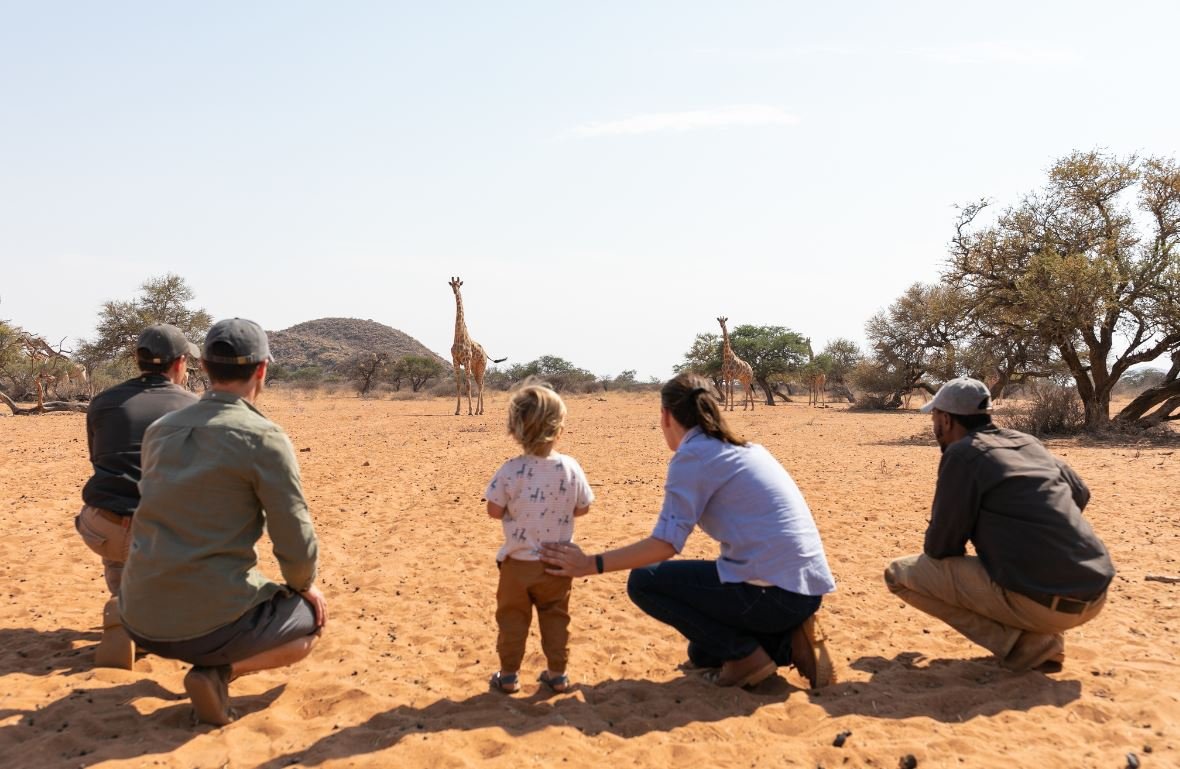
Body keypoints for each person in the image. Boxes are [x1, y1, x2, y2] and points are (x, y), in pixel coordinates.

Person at [541, 372, 837, 690]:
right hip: (806, 593)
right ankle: (790, 644)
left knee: (644, 582)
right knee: (702, 652)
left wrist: (590, 564)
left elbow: (666, 544)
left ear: (666, 416)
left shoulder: (693, 456)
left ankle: (746, 658)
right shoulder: (747, 448)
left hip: (774, 596)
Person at [119, 318, 327, 725]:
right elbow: (295, 540)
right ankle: (220, 673)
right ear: (262, 370)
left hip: (138, 617)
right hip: (208, 625)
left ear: (204, 368)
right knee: (310, 624)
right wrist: (304, 587)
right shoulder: (263, 437)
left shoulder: (159, 431)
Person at [884, 377, 1114, 672]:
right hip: (1095, 593)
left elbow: (940, 548)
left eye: (935, 418)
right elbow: (1080, 493)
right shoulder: (1026, 442)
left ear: (946, 419)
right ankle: (1036, 633)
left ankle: (1028, 645)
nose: (934, 427)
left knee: (898, 575)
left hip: (1043, 605)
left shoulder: (963, 454)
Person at [76, 323, 199, 669]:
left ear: (138, 360)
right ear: (179, 364)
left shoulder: (102, 402)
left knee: (119, 546)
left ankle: (123, 603)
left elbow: (99, 461)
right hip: (161, 534)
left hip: (103, 527)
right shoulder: (192, 407)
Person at [484, 383, 593, 694]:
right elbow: (583, 508)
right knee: (556, 618)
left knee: (512, 621)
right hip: (557, 564)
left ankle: (508, 676)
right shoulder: (570, 467)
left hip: (517, 564)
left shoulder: (510, 470)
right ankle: (557, 675)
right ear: (559, 428)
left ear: (514, 428)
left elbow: (493, 510)